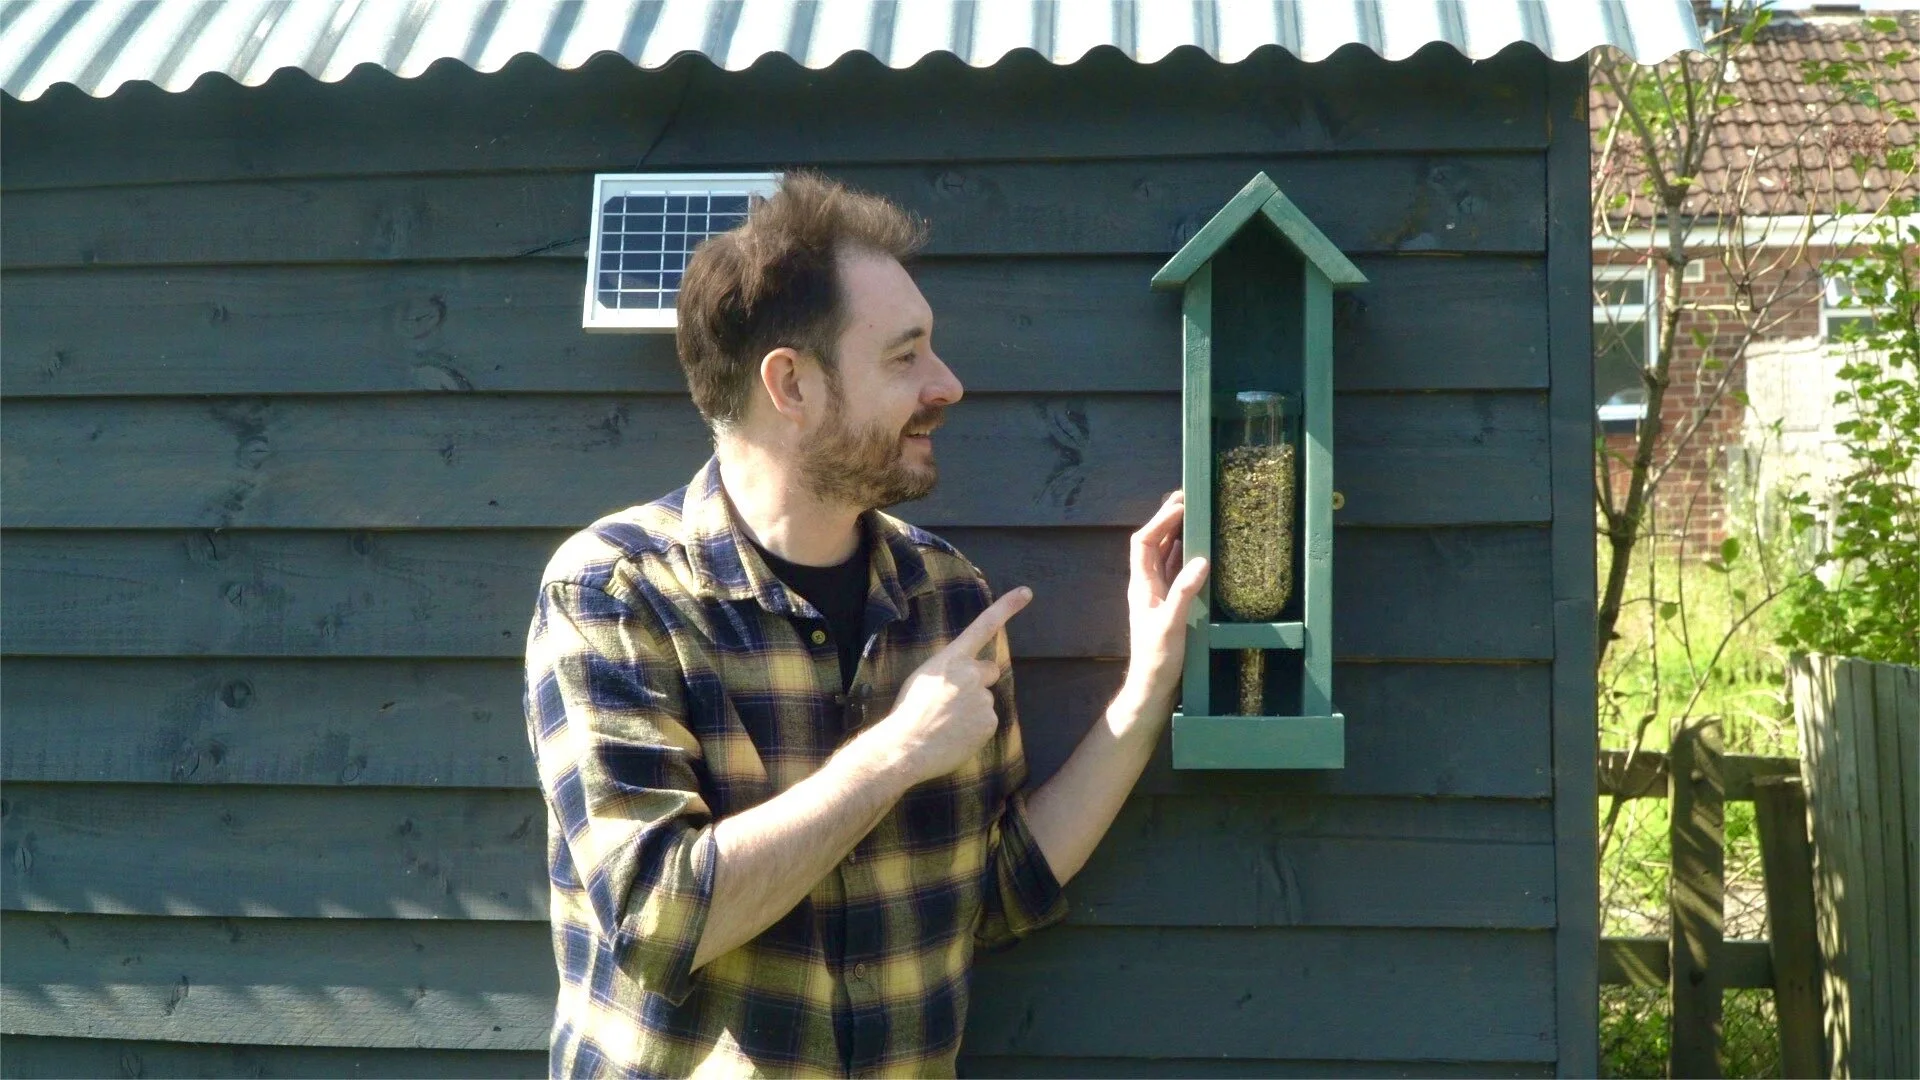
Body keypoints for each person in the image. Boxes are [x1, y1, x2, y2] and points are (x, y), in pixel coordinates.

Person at [523, 172, 1208, 1077]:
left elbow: (993, 890)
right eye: (906, 356)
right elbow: (658, 919)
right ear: (791, 383)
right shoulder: (615, 593)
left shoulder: (948, 598)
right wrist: (898, 750)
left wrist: (1148, 684)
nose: (950, 385)